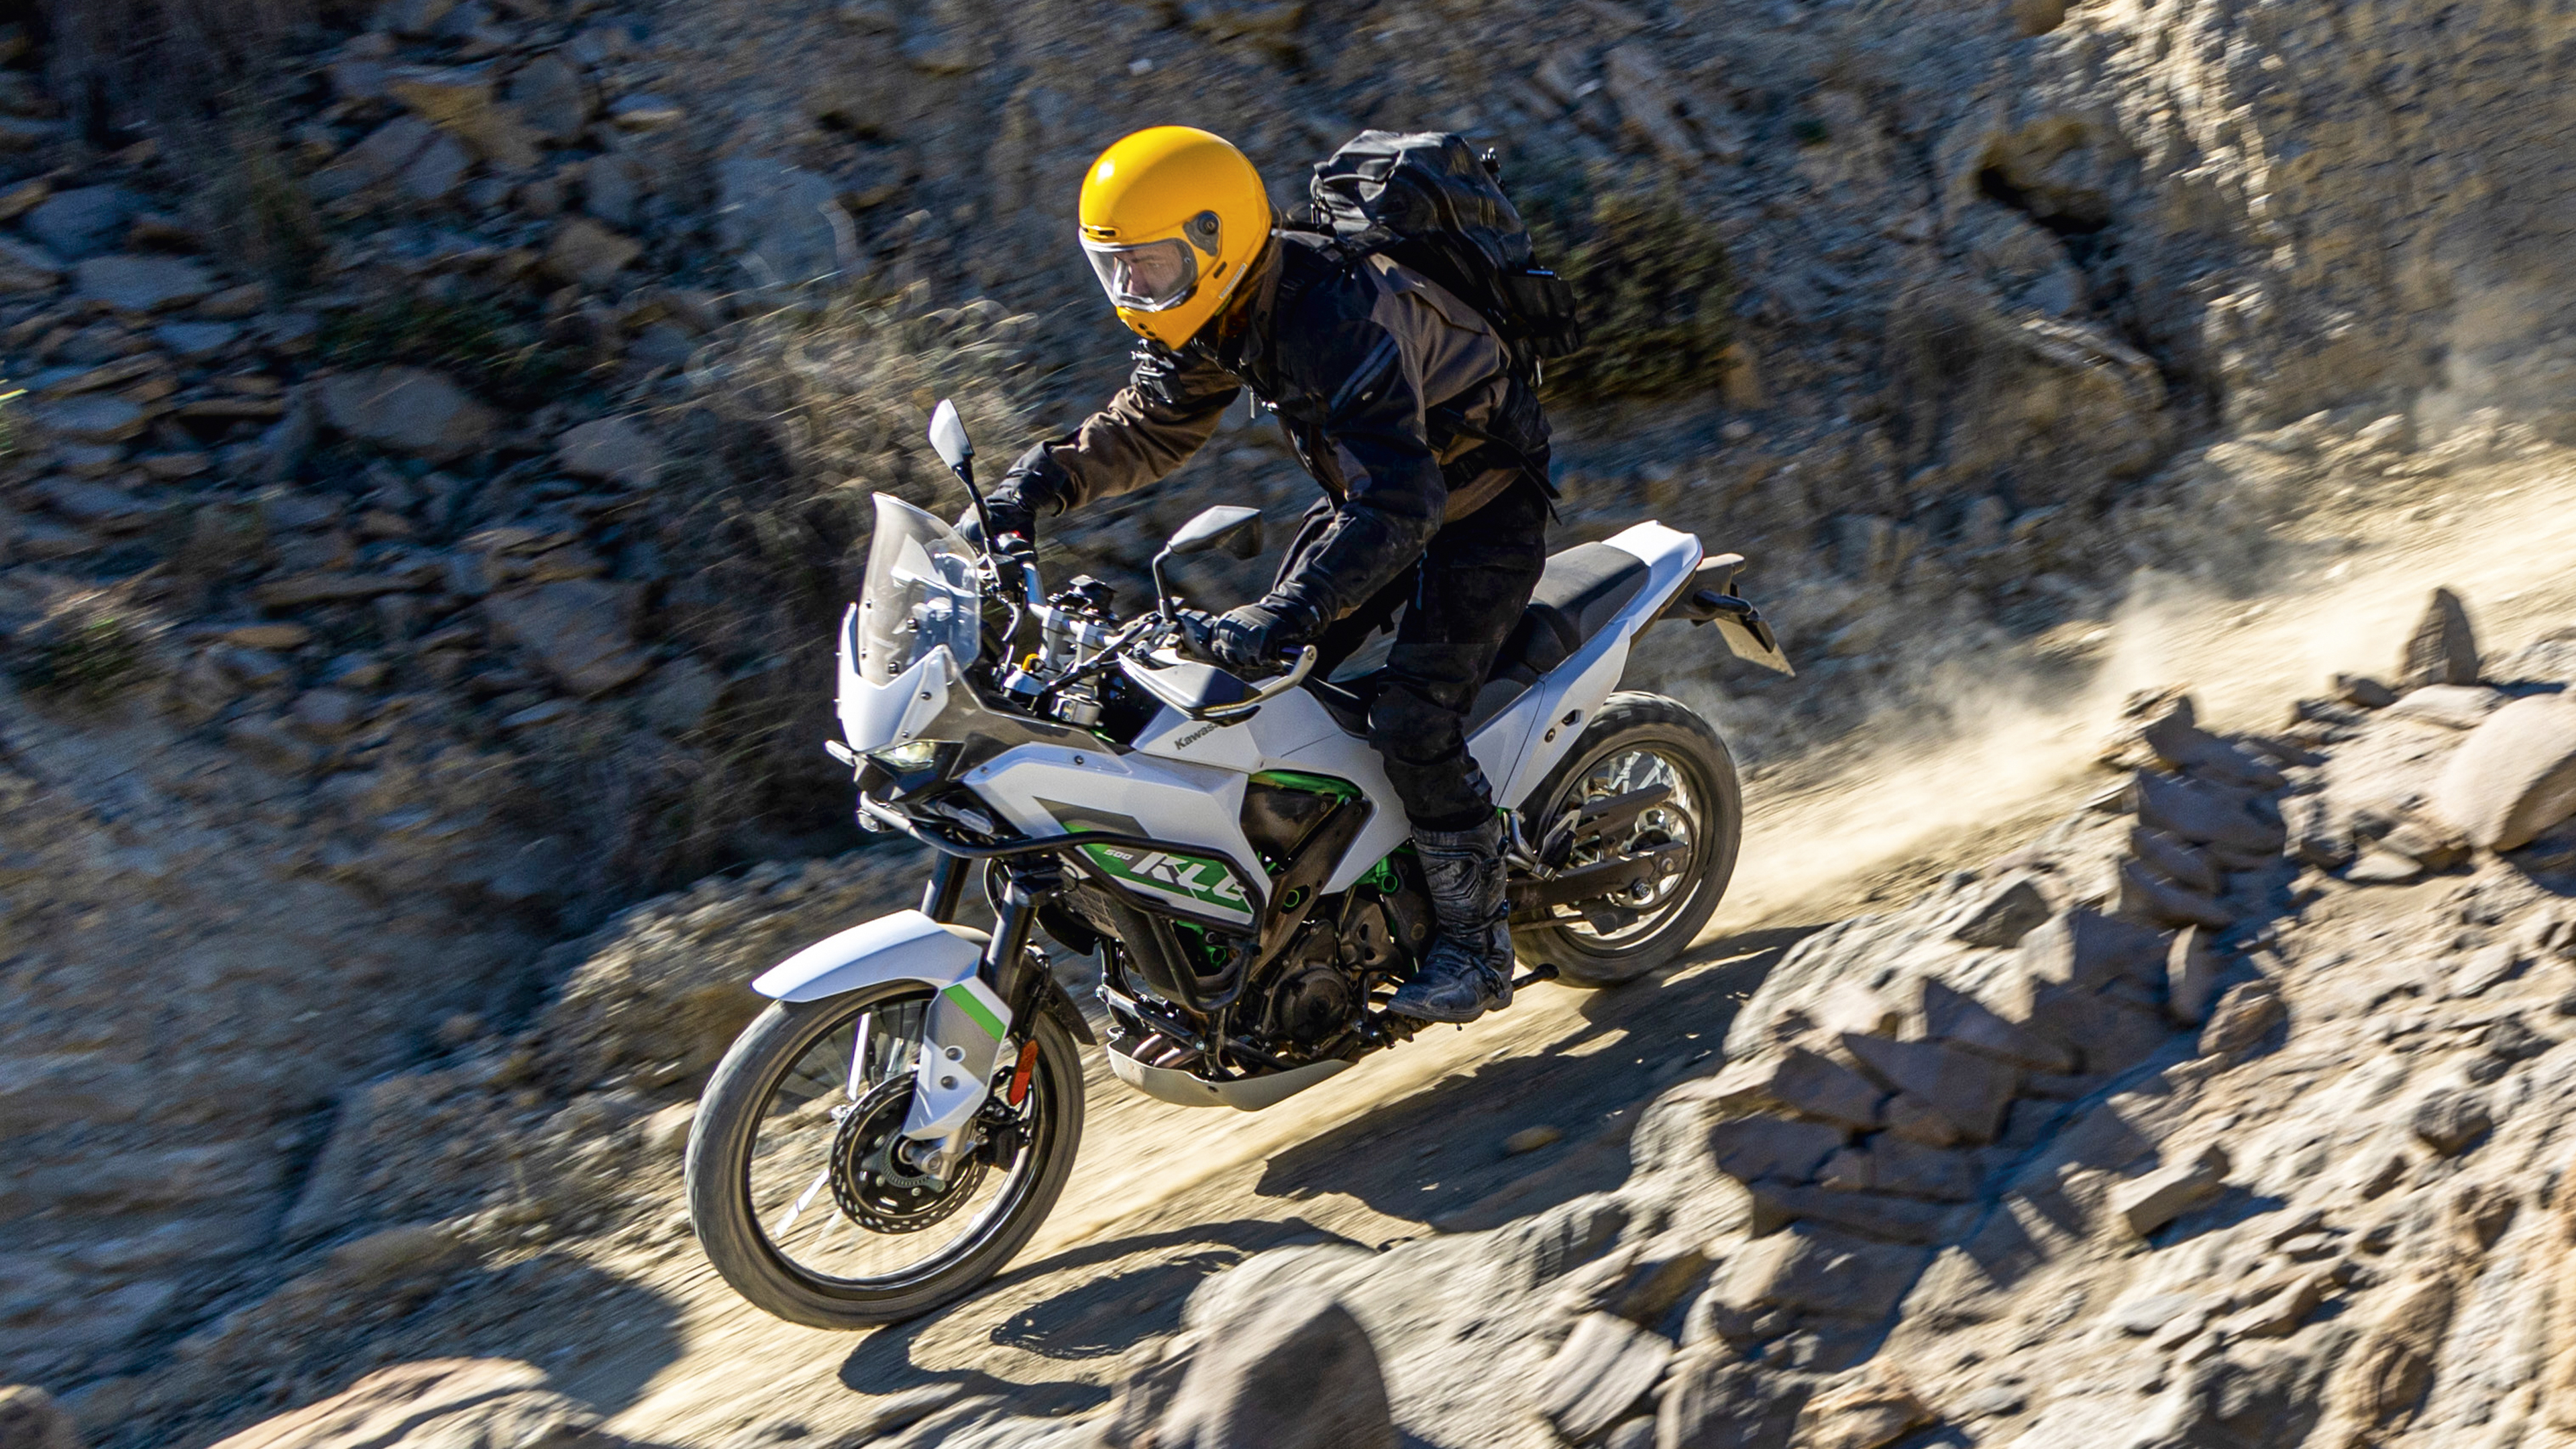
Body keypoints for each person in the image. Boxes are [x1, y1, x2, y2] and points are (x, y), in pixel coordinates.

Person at [975, 125, 1556, 1024]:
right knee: (1255, 695)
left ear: (1215, 238)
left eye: (1151, 265)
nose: (1135, 291)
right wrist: (1037, 485)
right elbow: (1152, 422)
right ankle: (1317, 913)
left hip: (1479, 505)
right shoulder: (1220, 306)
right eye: (1118, 270)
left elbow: (1405, 504)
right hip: (1375, 499)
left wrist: (1292, 607)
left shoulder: (1333, 314)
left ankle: (1477, 945)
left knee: (1411, 719)